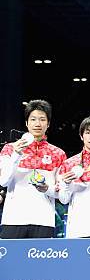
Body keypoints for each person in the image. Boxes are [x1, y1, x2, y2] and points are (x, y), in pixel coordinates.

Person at [0, 100, 66, 238]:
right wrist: (16, 155)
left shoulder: (58, 154)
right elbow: (3, 181)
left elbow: (61, 193)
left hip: (43, 220)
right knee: (12, 260)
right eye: (33, 119)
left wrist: (47, 188)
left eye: (42, 119)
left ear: (48, 124)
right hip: (13, 219)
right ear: (26, 123)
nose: (37, 123)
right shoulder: (9, 149)